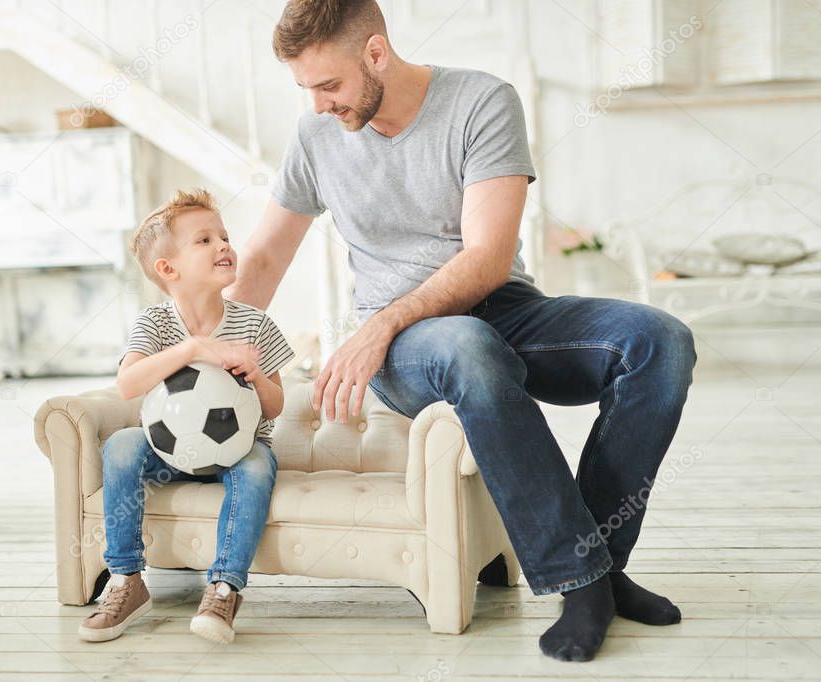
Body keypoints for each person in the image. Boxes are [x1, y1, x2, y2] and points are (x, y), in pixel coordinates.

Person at [225, 0, 696, 662]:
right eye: (304, 89)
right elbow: (267, 255)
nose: (316, 105)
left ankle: (599, 568)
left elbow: (485, 260)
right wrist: (210, 345)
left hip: (500, 307)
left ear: (376, 53)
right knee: (467, 350)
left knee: (660, 342)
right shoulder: (316, 137)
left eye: (327, 85)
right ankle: (581, 580)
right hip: (407, 352)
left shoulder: (480, 102)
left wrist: (375, 324)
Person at [79, 188, 295, 644]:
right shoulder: (154, 324)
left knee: (258, 463)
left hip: (236, 454)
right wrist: (194, 349)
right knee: (121, 444)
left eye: (224, 236)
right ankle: (126, 581)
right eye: (204, 240)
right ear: (167, 268)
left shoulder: (255, 324)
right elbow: (128, 384)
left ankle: (224, 588)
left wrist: (256, 375)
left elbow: (275, 407)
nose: (223, 245)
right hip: (169, 455)